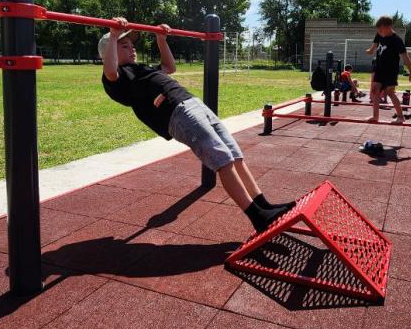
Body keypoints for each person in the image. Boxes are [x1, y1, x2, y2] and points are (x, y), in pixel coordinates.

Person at [99, 18, 294, 232]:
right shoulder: (119, 78)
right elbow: (110, 71)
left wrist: (161, 40)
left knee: (235, 155)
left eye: (132, 44)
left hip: (192, 104)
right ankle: (258, 217)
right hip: (177, 113)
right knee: (223, 160)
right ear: (110, 52)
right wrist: (114, 35)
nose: (132, 48)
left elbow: (169, 67)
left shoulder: (140, 68)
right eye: (124, 46)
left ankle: (263, 205)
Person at [364, 15, 411, 124]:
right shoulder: (379, 34)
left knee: (390, 92)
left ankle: (401, 117)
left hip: (391, 70)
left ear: (389, 27)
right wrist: (370, 50)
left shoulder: (396, 40)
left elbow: (405, 57)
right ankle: (375, 116)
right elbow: (374, 45)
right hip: (379, 68)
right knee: (375, 90)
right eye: (378, 30)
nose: (379, 32)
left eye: (381, 30)